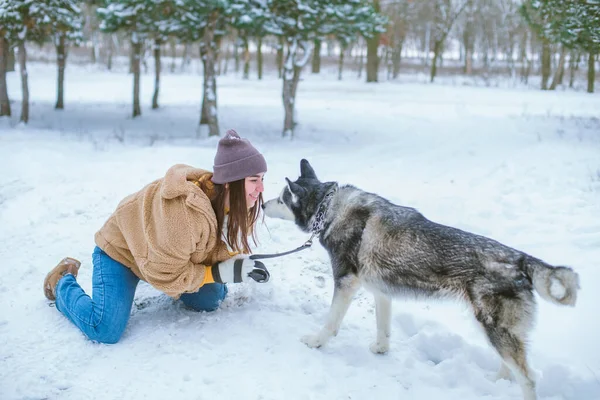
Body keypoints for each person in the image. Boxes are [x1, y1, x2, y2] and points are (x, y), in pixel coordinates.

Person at [43, 129, 270, 344]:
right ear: (230, 182)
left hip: (159, 256)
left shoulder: (238, 204)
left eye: (261, 179)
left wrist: (238, 264)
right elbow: (167, 276)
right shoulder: (185, 214)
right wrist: (218, 272)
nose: (260, 188)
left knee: (211, 300)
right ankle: (62, 282)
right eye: (253, 180)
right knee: (105, 329)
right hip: (122, 253)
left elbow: (214, 249)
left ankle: (156, 268)